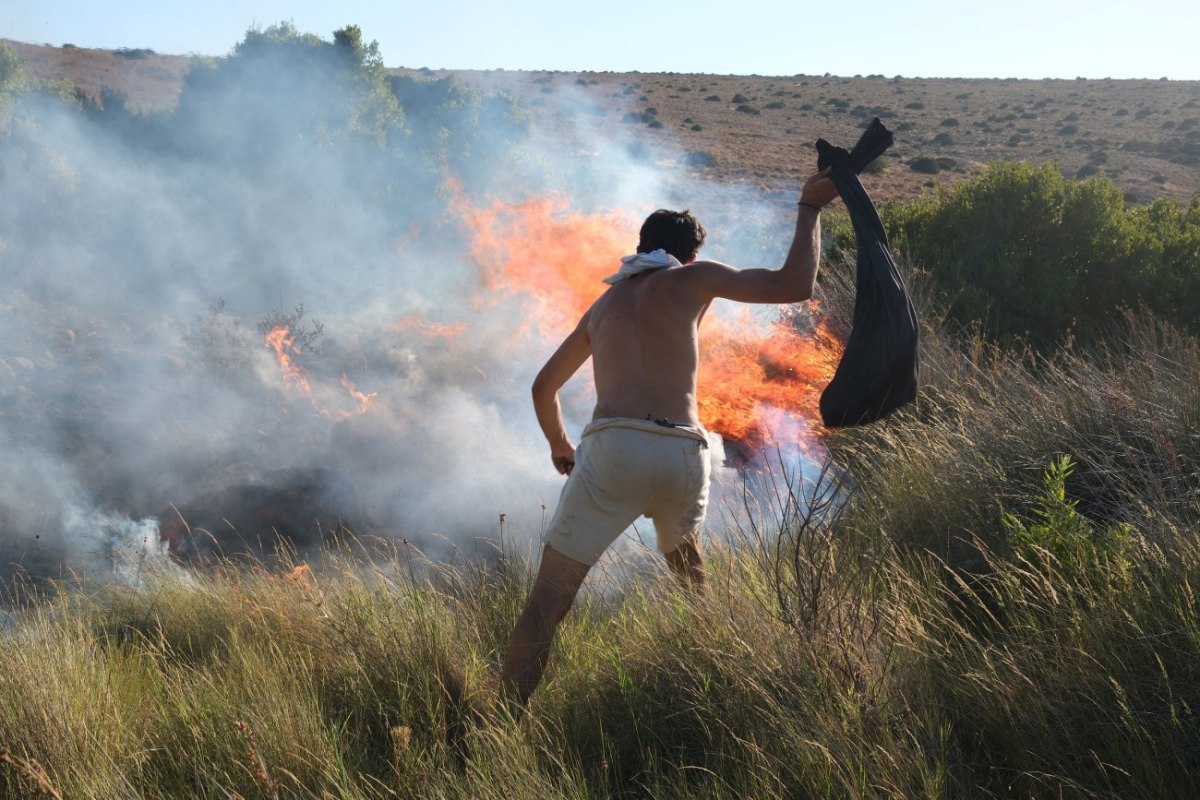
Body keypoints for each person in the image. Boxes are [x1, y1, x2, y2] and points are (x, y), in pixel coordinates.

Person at [499, 170, 839, 706]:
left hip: (613, 451)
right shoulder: (693, 278)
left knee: (547, 603)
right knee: (692, 582)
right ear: (690, 254)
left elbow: (544, 388)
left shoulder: (602, 307)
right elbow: (795, 285)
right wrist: (810, 208)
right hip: (682, 452)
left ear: (641, 247)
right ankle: (723, 705)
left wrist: (560, 447)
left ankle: (500, 720)